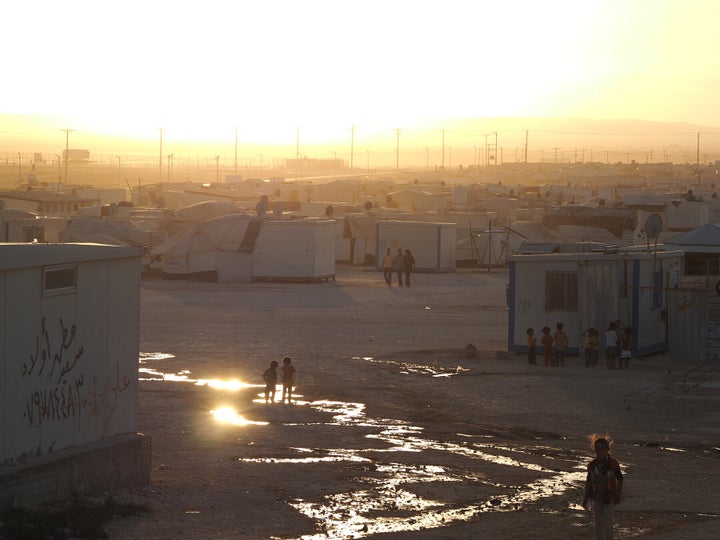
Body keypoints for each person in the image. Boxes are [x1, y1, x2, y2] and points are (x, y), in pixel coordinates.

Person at [583, 434, 623, 540]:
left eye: (602, 448)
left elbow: (620, 478)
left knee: (607, 521)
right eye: (597, 448)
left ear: (607, 450)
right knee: (598, 523)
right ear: (594, 449)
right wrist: (585, 498)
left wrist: (618, 493)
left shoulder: (613, 463)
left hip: (609, 497)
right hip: (596, 496)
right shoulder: (592, 465)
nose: (599, 451)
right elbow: (589, 482)